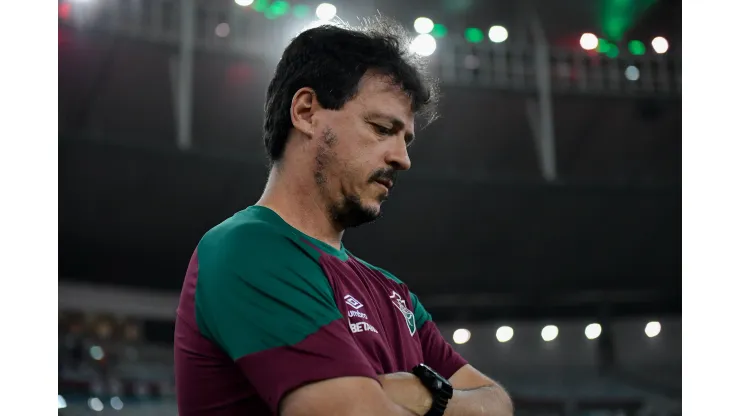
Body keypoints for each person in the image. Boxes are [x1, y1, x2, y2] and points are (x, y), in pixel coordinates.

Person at [174, 18, 514, 416]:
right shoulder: (246, 249)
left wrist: (425, 396)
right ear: (306, 112)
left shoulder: (394, 293)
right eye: (382, 128)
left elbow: (498, 403)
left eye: (406, 140)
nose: (402, 159)